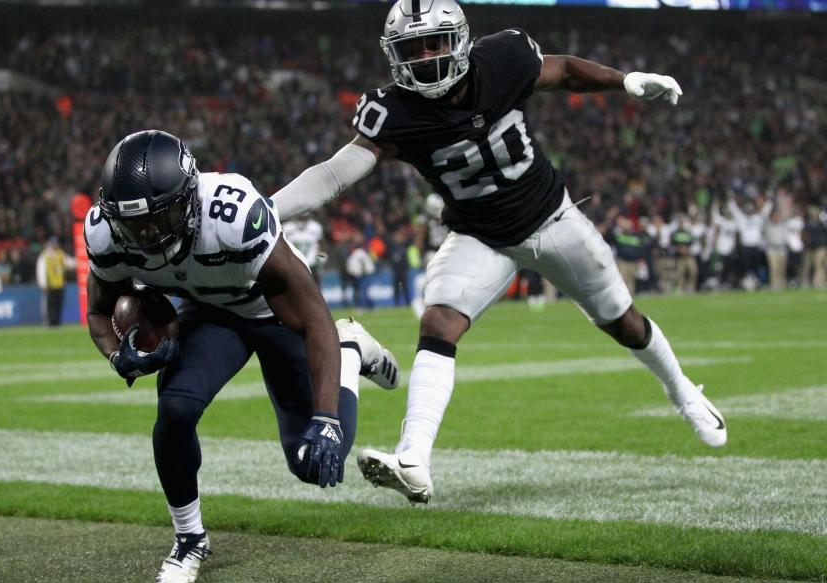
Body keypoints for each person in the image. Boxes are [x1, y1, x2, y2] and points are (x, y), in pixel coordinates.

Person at [273, 0, 726, 505]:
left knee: (625, 322)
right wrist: (267, 208)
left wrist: (626, 80)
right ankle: (414, 459)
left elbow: (566, 71)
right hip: (480, 237)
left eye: (434, 43)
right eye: (411, 48)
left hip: (552, 218)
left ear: (461, 40)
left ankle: (682, 390)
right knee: (439, 323)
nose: (424, 57)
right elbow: (335, 173)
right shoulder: (394, 111)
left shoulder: (504, 59)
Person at [83, 130, 400, 583]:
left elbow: (314, 318)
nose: (148, 235)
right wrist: (118, 357)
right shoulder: (105, 232)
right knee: (175, 408)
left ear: (189, 197)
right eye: (136, 226)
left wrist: (327, 417)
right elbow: (98, 309)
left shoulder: (233, 214)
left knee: (312, 460)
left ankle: (350, 351)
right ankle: (189, 537)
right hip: (210, 314)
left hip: (273, 312)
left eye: (160, 217)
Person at [36, 236, 76, 326]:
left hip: (60, 284)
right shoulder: (44, 256)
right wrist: (43, 284)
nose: (55, 245)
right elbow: (41, 271)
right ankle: (51, 322)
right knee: (50, 306)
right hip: (50, 285)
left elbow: (69, 263)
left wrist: (80, 260)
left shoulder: (60, 254)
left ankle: (57, 322)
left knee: (59, 305)